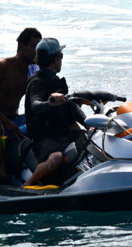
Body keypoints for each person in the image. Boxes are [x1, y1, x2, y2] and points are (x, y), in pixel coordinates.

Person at [0, 27, 42, 181]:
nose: (36, 53)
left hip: (15, 119)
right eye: (33, 48)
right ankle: (2, 175)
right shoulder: (2, 66)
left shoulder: (33, 70)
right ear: (21, 46)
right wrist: (6, 122)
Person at [24, 37, 83, 188]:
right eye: (60, 56)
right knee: (56, 158)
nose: (61, 60)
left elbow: (70, 107)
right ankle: (28, 185)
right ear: (55, 60)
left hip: (63, 132)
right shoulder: (37, 82)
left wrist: (89, 124)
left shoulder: (57, 81)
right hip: (46, 137)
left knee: (92, 140)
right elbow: (35, 105)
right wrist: (50, 102)